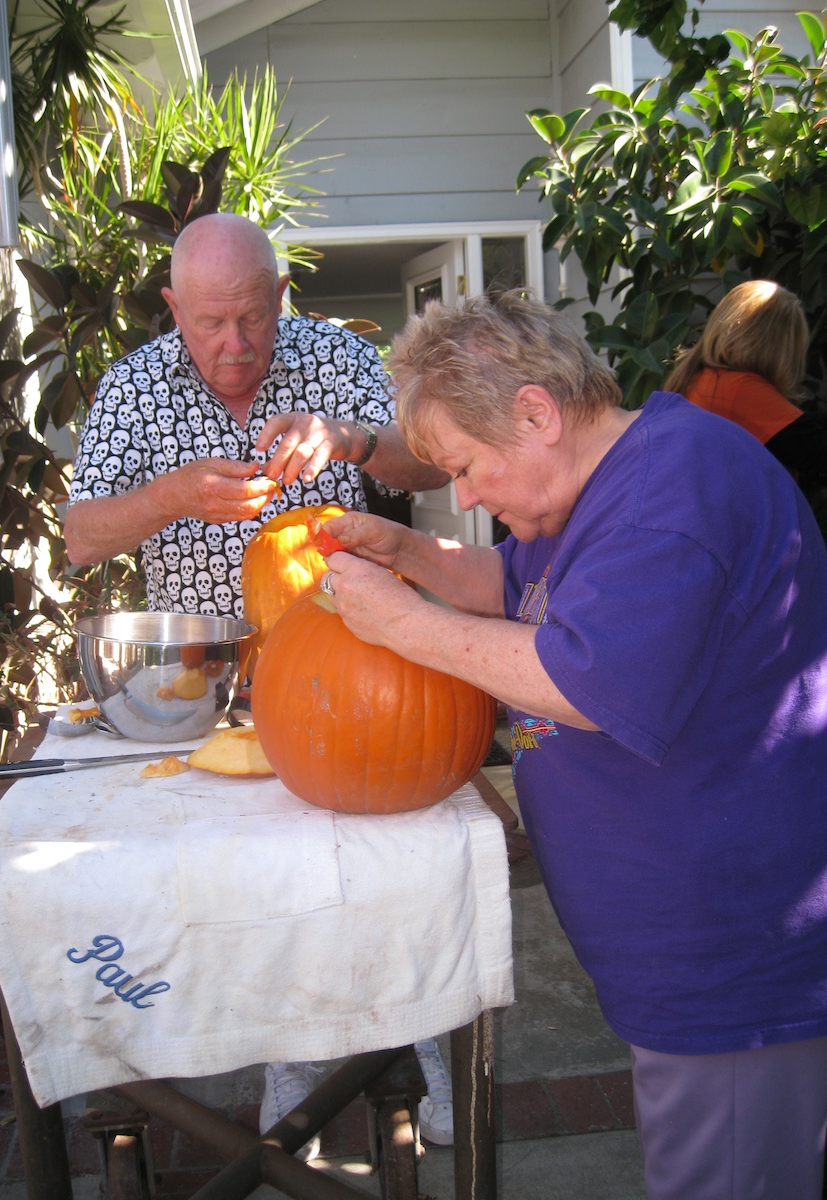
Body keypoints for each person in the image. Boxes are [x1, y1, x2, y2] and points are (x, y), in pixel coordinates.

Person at [317, 290, 827, 1200]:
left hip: (730, 964)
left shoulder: (676, 492)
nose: (462, 496)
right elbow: (514, 588)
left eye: (467, 468)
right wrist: (411, 553)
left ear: (536, 413)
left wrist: (400, 624)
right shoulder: (603, 487)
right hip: (677, 953)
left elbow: (585, 680)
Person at [64, 212, 455, 1152]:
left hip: (353, 672)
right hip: (209, 695)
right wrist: (172, 496)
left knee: (382, 870)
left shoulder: (333, 358)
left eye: (252, 316)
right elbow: (80, 538)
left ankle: (425, 1033)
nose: (234, 345)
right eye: (209, 323)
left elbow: (432, 462)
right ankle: (293, 1057)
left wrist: (353, 442)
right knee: (257, 893)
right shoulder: (134, 386)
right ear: (173, 308)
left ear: (282, 296)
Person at [665, 278, 827, 486]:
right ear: (777, 347)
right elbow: (814, 453)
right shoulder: (739, 388)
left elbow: (797, 429)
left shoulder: (702, 378)